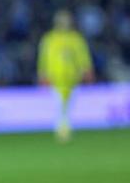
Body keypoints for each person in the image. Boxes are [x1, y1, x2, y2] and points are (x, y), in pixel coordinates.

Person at [37, 9, 94, 142]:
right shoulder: (49, 39)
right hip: (55, 78)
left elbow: (83, 57)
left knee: (69, 105)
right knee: (58, 105)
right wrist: (42, 73)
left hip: (73, 78)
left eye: (66, 20)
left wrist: (87, 70)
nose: (64, 23)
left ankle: (65, 127)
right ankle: (62, 129)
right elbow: (43, 58)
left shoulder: (76, 39)